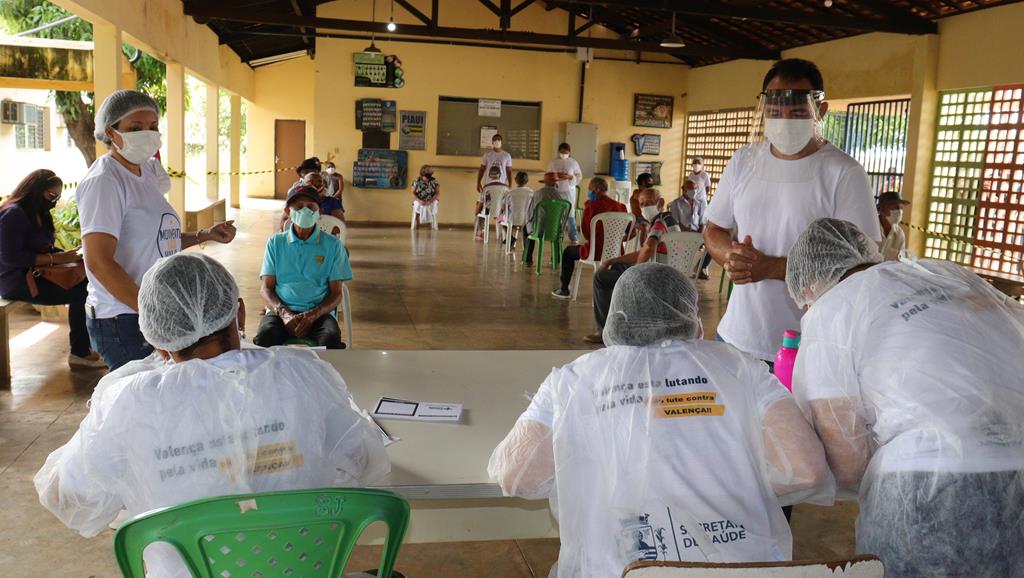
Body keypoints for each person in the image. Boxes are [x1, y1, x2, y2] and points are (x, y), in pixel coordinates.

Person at [34, 252, 389, 578]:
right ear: (240, 313)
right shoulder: (304, 374)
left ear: (158, 341)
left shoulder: (127, 402)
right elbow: (365, 461)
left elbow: (67, 502)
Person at [490, 263, 833, 577]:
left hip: (623, 568)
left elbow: (518, 476)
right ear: (692, 317)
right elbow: (806, 470)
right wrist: (729, 483)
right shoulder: (741, 367)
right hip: (739, 566)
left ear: (615, 317)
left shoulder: (572, 380)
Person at [785, 218, 1024, 578]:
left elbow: (848, 459)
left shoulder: (830, 311)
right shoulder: (945, 274)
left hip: (931, 489)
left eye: (804, 302)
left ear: (810, 284)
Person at [703, 58, 879, 367]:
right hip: (736, 337)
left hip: (809, 348)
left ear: (819, 111)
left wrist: (770, 267)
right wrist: (731, 257)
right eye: (774, 112)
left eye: (797, 113)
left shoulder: (843, 173)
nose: (784, 120)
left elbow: (860, 265)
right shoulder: (744, 161)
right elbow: (714, 230)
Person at [78, 89, 236, 370]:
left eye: (152, 127)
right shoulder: (106, 180)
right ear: (111, 133)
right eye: (135, 128)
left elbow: (159, 239)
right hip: (124, 316)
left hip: (152, 310)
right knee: (142, 403)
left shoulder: (146, 172)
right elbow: (98, 262)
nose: (147, 134)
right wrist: (151, 315)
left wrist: (204, 235)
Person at [0, 170, 104, 368]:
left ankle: (85, 347)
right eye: (50, 196)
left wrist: (68, 254)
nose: (54, 201)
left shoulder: (38, 213)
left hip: (37, 274)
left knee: (89, 282)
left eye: (57, 197)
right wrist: (54, 258)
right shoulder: (13, 214)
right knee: (81, 292)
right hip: (16, 281)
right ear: (35, 191)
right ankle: (79, 352)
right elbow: (10, 257)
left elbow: (41, 247)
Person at [256, 186, 351, 349]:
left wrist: (312, 315)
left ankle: (323, 375)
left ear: (319, 212)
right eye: (299, 207)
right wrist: (284, 314)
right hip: (281, 311)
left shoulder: (333, 245)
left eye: (310, 207)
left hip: (319, 313)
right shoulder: (275, 243)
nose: (305, 211)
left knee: (331, 338)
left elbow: (336, 294)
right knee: (265, 337)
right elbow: (266, 289)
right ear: (288, 211)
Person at [584, 187, 679, 344]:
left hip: (656, 277)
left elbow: (648, 248)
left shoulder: (661, 221)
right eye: (642, 204)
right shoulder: (666, 220)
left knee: (600, 277)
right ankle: (618, 325)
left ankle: (604, 331)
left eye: (649, 203)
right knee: (616, 268)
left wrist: (635, 271)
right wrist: (612, 260)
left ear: (660, 202)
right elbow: (643, 251)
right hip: (663, 274)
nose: (644, 208)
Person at [551, 177, 626, 299]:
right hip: (616, 252)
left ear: (596, 190)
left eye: (590, 190)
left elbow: (586, 234)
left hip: (595, 251)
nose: (589, 192)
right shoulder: (621, 207)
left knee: (568, 252)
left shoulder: (592, 206)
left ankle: (564, 289)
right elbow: (629, 232)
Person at [669, 178, 713, 280]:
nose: (693, 192)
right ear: (683, 189)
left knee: (711, 246)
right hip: (682, 234)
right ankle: (680, 271)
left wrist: (699, 234)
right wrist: (689, 233)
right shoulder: (675, 203)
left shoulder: (700, 203)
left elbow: (702, 221)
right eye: (690, 189)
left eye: (695, 189)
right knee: (682, 248)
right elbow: (676, 222)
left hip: (697, 233)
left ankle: (700, 267)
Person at [523, 172, 568, 266]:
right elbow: (563, 214)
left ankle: (528, 259)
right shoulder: (560, 196)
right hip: (555, 230)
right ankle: (556, 259)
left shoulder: (538, 193)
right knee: (555, 233)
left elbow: (530, 212)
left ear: (545, 182)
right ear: (555, 183)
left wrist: (528, 222)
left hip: (539, 230)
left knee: (526, 229)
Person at [476, 133, 513, 240]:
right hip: (488, 186)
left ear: (501, 142)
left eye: (498, 140)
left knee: (503, 208)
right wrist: (478, 182)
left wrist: (510, 185)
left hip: (503, 188)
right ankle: (480, 230)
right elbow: (482, 169)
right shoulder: (487, 155)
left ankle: (504, 232)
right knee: (483, 207)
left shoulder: (506, 155)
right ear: (492, 142)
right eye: (495, 140)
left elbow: (509, 172)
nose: (497, 141)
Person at [547, 142, 584, 243]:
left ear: (569, 152)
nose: (564, 154)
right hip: (556, 190)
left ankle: (573, 236)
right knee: (556, 212)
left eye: (566, 152)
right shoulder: (553, 162)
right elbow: (548, 175)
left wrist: (570, 177)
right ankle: (555, 234)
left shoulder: (573, 162)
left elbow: (579, 175)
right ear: (559, 151)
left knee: (570, 213)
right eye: (562, 152)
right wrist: (555, 176)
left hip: (569, 191)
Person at [876, 190, 910, 261]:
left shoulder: (899, 234)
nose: (900, 212)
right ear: (882, 209)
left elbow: (899, 260)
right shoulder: (870, 228)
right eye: (895, 208)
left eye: (901, 208)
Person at [504, 171, 534, 251]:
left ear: (515, 180)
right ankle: (525, 249)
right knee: (525, 224)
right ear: (527, 181)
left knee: (502, 221)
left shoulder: (510, 193)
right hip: (526, 220)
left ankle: (511, 238)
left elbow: (504, 207)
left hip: (512, 219)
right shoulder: (531, 193)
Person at [411, 164, 440, 230]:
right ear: (423, 172)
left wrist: (430, 201)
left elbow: (437, 193)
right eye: (427, 171)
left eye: (430, 171)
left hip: (431, 200)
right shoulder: (416, 181)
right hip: (419, 200)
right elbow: (413, 193)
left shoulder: (434, 181)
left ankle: (430, 226)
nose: (429, 172)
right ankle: (417, 224)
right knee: (418, 206)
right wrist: (419, 200)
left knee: (431, 206)